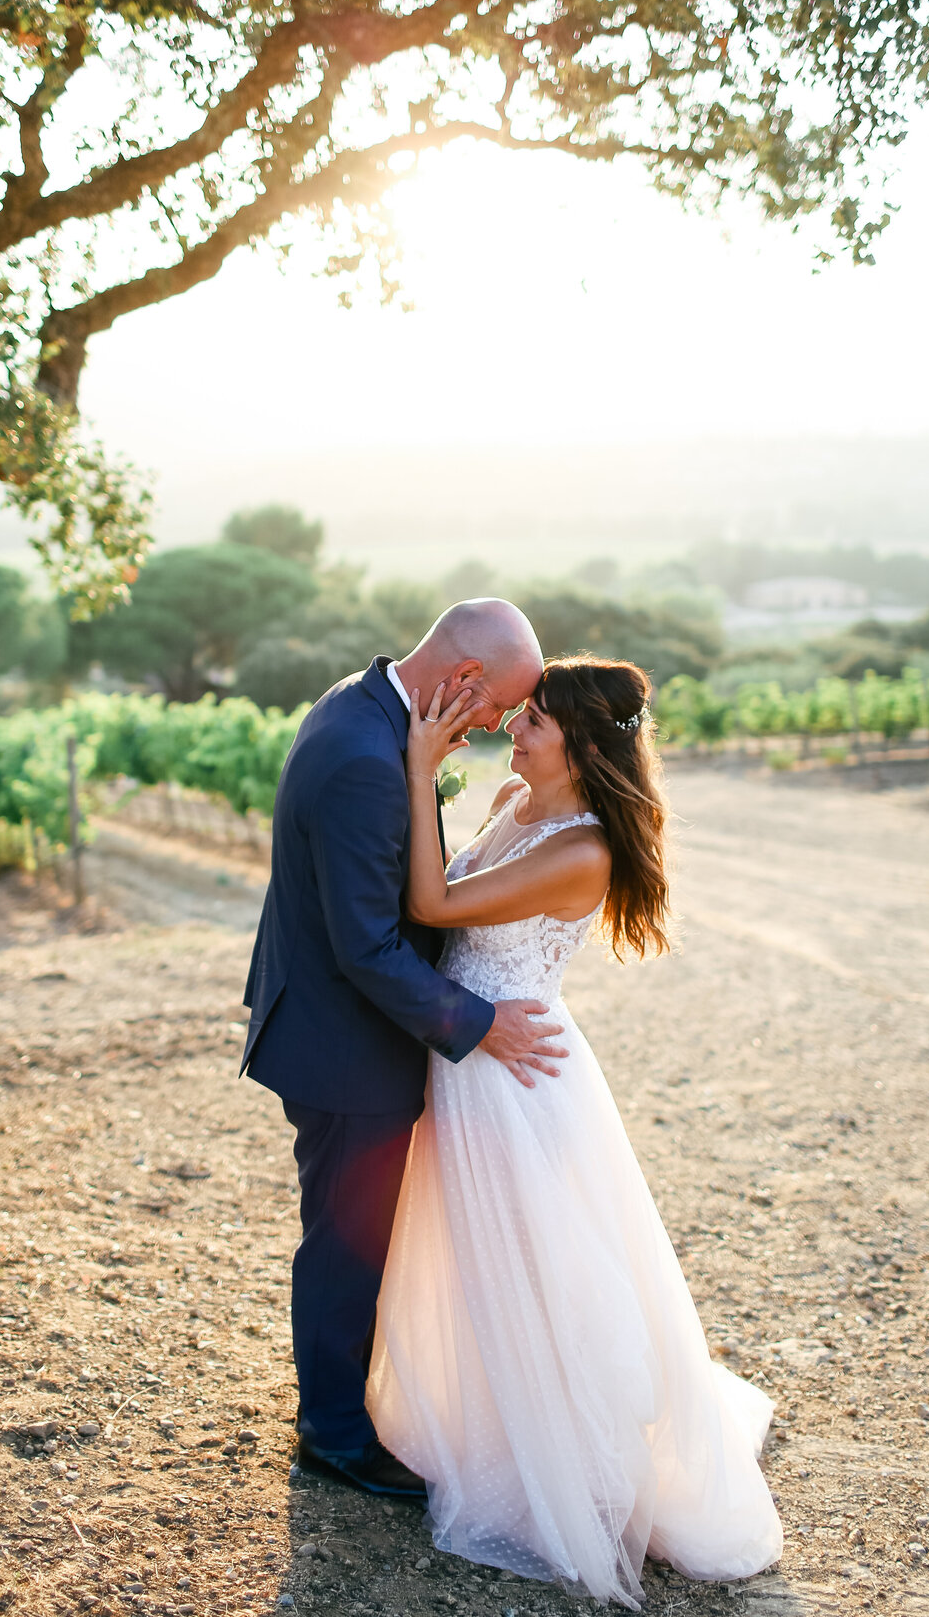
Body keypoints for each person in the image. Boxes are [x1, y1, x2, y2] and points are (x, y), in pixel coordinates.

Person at [367, 655, 784, 1604]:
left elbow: (433, 905)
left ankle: (569, 1450)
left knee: (542, 1262)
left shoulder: (583, 850)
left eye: (535, 724)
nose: (515, 730)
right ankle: (492, 1420)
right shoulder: (520, 801)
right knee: (482, 1258)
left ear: (584, 746)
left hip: (517, 1072)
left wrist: (418, 768)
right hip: (476, 1056)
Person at [241, 600, 563, 1499]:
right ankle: (335, 1437)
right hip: (346, 1045)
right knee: (346, 1242)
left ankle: (346, 1405)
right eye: (501, 707)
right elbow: (367, 946)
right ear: (463, 681)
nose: (500, 728)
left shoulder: (367, 703)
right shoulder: (363, 758)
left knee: (356, 1232)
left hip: (335, 1024)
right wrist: (481, 1023)